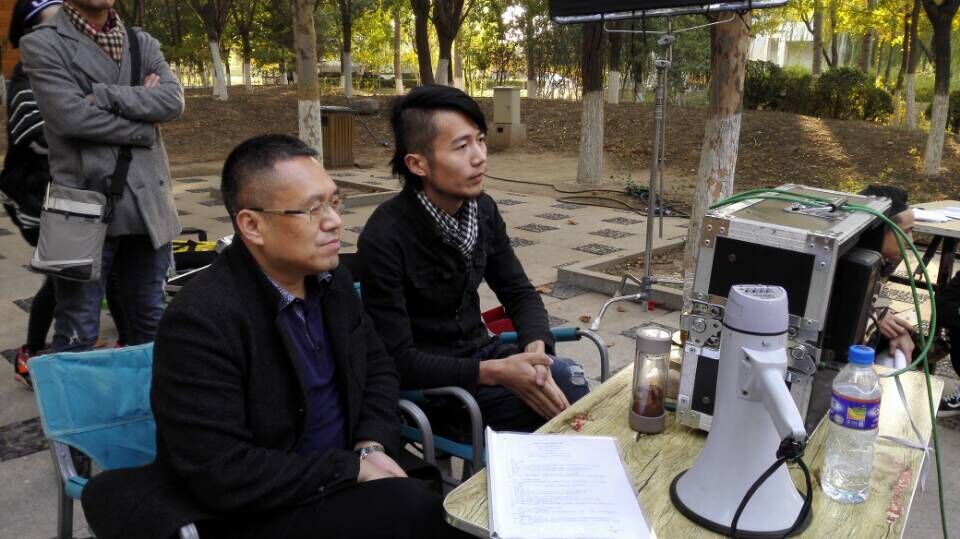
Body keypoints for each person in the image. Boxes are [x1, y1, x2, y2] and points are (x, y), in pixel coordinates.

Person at [81, 135, 468, 539]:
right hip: (263, 506)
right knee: (413, 509)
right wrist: (350, 469)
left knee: (461, 510)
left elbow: (378, 368)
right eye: (312, 209)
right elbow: (220, 469)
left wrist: (370, 445)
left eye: (334, 202)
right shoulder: (201, 319)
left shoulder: (331, 281)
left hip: (351, 478)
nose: (334, 221)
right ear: (252, 225)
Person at [357, 85, 589, 434]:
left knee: (565, 380)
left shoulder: (482, 211)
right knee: (571, 400)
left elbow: (519, 292)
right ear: (417, 164)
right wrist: (496, 372)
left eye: (480, 140)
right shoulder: (385, 236)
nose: (479, 156)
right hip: (434, 392)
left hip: (485, 357)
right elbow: (398, 359)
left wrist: (536, 349)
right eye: (462, 146)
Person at [19, 0, 183, 352]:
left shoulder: (142, 42)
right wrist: (144, 126)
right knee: (75, 327)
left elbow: (172, 101)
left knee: (151, 321)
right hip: (73, 204)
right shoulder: (40, 43)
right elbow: (70, 118)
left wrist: (103, 94)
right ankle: (74, 391)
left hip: (149, 202)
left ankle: (146, 391)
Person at [1, 0, 128, 388]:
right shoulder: (28, 78)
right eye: (53, 22)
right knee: (65, 278)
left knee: (109, 270)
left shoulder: (74, 69)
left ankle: (127, 345)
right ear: (32, 35)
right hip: (48, 199)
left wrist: (99, 111)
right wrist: (117, 114)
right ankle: (31, 354)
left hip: (88, 191)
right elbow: (53, 134)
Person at [859, 185, 917, 361]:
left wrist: (892, 325)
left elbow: (879, 294)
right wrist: (873, 319)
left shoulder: (881, 261)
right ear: (878, 232)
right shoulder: (846, 267)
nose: (911, 241)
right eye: (905, 232)